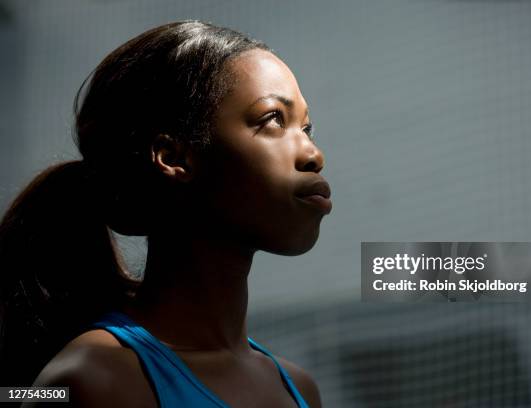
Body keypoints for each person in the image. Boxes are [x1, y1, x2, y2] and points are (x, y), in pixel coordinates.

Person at [0, 20, 329, 407]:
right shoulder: (90, 381)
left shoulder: (299, 388)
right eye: (273, 119)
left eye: (307, 128)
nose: (313, 154)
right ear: (173, 157)